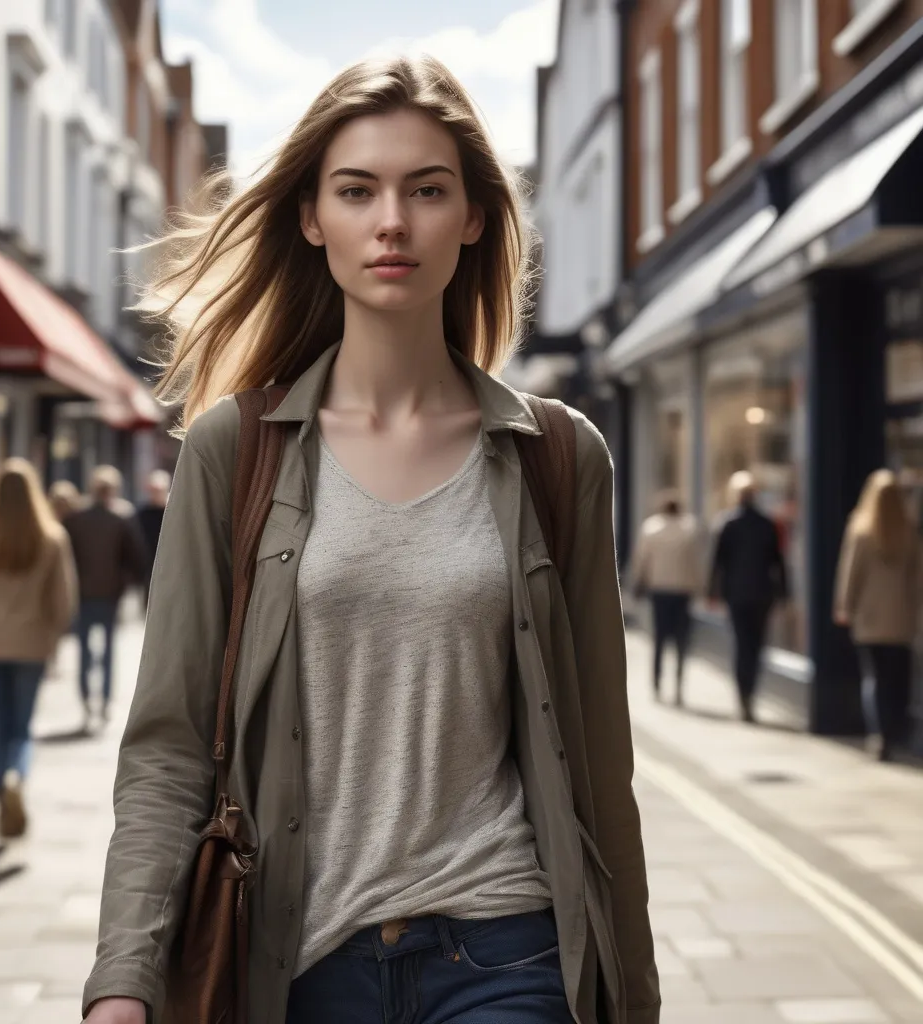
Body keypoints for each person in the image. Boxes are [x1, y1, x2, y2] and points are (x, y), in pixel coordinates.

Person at [81, 56, 659, 1024]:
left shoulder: (557, 456)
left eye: (427, 190)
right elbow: (169, 745)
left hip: (505, 946)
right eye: (357, 190)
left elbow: (601, 771)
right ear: (313, 218)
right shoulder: (235, 450)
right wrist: (122, 979)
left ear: (472, 215)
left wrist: (631, 998)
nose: (392, 221)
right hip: (298, 961)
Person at [0, 459, 77, 838]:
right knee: (22, 729)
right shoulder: (52, 537)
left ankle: (0, 796)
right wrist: (54, 640)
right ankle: (16, 778)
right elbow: (65, 600)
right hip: (31, 645)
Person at [834, 469, 922, 761]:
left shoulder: (861, 529)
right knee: (898, 680)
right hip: (901, 618)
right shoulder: (908, 530)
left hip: (870, 619)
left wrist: (845, 606)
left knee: (875, 679)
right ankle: (896, 731)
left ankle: (880, 735)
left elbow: (851, 573)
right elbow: (917, 579)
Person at [63, 466, 147, 724]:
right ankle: (105, 701)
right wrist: (128, 583)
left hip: (84, 593)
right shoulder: (121, 517)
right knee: (108, 650)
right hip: (110, 594)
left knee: (85, 651)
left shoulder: (76, 518)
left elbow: (68, 557)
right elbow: (136, 558)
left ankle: (88, 699)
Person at [708, 470, 788, 723]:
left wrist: (713, 592)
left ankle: (744, 696)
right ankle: (749, 694)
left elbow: (717, 563)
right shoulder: (767, 524)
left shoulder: (728, 523)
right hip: (762, 594)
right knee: (755, 646)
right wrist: (785, 593)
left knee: (743, 645)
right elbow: (779, 562)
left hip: (738, 594)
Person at [631, 491, 705, 705]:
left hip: (660, 590)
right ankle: (679, 684)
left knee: (660, 639)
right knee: (682, 640)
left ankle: (656, 681)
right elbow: (696, 562)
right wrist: (699, 587)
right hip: (683, 591)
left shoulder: (651, 528)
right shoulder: (689, 529)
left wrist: (639, 581)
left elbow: (641, 559)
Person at [134, 469, 171, 604]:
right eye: (152, 490)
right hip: (150, 565)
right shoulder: (143, 513)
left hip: (171, 564)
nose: (155, 494)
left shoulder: (174, 510)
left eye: (158, 490)